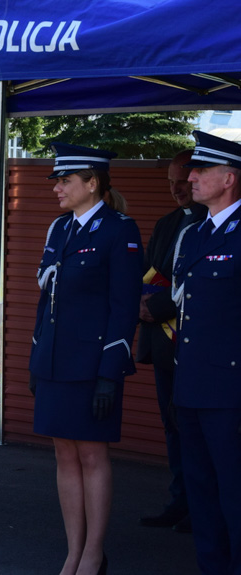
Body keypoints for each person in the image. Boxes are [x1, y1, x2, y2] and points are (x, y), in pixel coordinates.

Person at [29, 143, 142, 575]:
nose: (57, 187)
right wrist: (37, 359)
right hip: (55, 362)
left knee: (92, 455)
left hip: (92, 365)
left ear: (92, 184)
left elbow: (124, 306)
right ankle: (73, 551)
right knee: (63, 455)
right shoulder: (59, 230)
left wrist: (110, 373)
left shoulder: (119, 230)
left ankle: (94, 553)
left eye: (66, 180)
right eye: (58, 180)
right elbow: (46, 302)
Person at [170, 131, 241, 575]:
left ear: (230, 178)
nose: (191, 177)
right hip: (192, 383)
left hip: (230, 390)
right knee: (201, 491)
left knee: (234, 491)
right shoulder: (195, 234)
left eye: (202, 170)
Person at [136, 150, 205, 533]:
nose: (176, 189)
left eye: (182, 181)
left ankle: (201, 506)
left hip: (195, 348)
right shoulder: (167, 223)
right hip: (165, 344)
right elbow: (150, 271)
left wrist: (158, 306)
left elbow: (194, 284)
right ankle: (180, 501)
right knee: (172, 424)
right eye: (170, 182)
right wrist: (141, 303)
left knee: (198, 430)